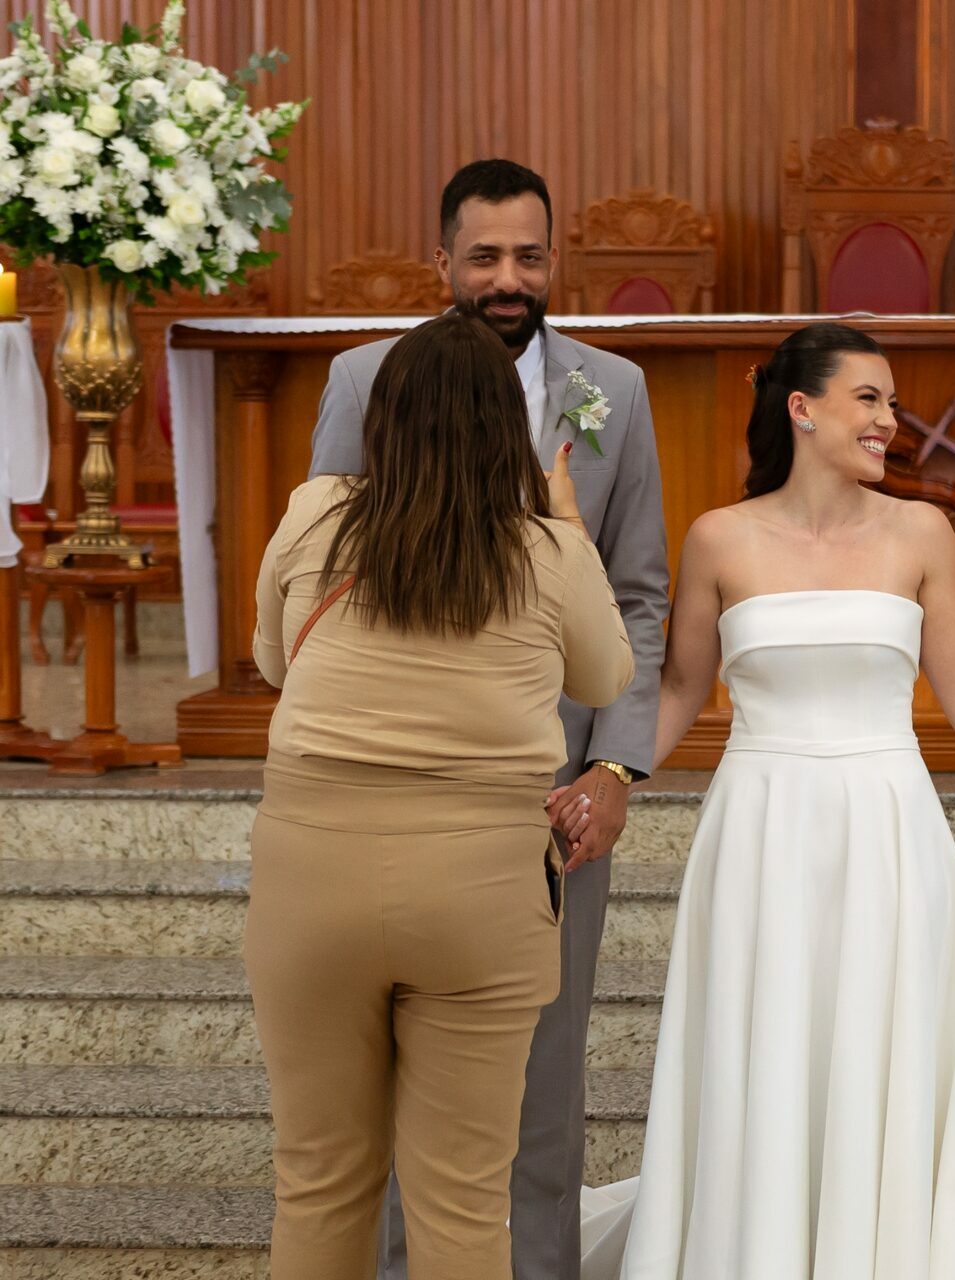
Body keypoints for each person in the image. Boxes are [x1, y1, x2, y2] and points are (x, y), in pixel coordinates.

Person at [578, 322, 955, 1280]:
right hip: (760, 832)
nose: (889, 421)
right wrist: (607, 775)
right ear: (802, 408)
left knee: (874, 1057)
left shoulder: (922, 532)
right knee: (763, 1055)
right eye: (870, 399)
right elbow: (681, 688)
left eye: (892, 403)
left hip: (888, 831)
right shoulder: (719, 538)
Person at [308, 158, 670, 1280]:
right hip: (400, 798)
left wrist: (616, 767)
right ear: (442, 262)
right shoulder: (365, 380)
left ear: (554, 260)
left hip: (556, 798)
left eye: (529, 256)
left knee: (546, 1082)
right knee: (399, 1084)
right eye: (484, 257)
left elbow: (640, 593)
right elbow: (322, 577)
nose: (508, 279)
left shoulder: (614, 388)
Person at [246, 312, 635, 1280]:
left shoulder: (315, 512)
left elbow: (272, 661)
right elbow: (607, 676)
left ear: (382, 419)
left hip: (314, 869)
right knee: (463, 1198)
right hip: (481, 884)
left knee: (319, 1179)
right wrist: (568, 527)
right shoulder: (544, 549)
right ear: (509, 427)